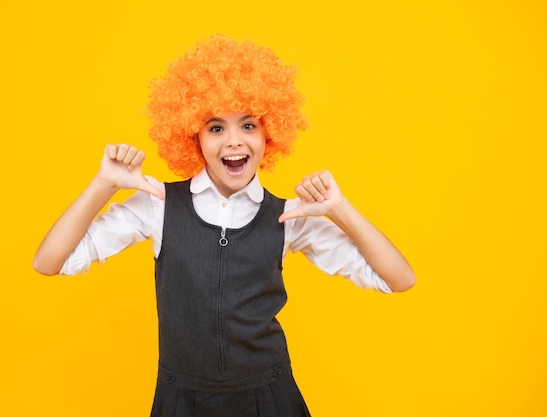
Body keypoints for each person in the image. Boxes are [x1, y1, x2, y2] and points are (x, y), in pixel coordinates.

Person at [33, 34, 415, 417]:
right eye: (216, 128)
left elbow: (399, 278)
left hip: (270, 399)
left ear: (269, 132)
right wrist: (104, 184)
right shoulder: (158, 205)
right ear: (193, 136)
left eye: (248, 125)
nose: (234, 142)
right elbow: (49, 261)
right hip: (182, 401)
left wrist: (339, 209)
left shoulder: (290, 217)